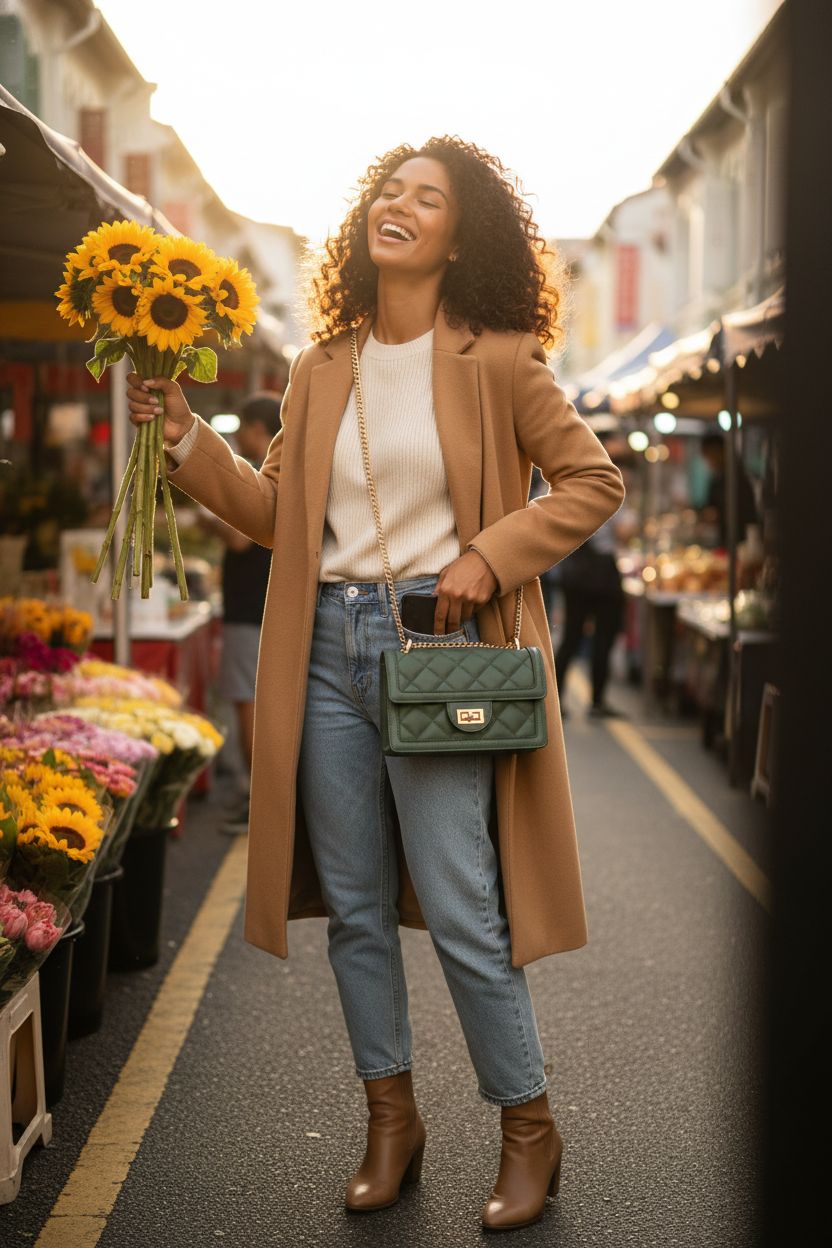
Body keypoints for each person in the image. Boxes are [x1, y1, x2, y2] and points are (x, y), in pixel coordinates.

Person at [126, 136, 625, 1231]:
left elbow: (593, 478)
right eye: (388, 191)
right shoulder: (321, 365)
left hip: (433, 653)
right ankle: (389, 1119)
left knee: (459, 909)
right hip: (323, 654)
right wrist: (188, 440)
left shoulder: (496, 356)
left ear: (462, 233)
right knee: (353, 910)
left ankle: (527, 1126)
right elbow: (274, 516)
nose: (398, 206)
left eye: (427, 198)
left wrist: (489, 553)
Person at [196, 393, 283, 835]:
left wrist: (208, 518)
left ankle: (256, 803)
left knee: (249, 707)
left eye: (245, 427)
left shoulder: (264, 470)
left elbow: (238, 540)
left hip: (250, 610)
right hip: (260, 607)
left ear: (256, 429)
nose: (241, 436)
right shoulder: (277, 467)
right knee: (255, 704)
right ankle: (260, 800)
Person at [553, 508, 629, 719]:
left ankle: (556, 700)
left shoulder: (565, 492)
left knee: (571, 638)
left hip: (575, 574)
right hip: (601, 574)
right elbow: (624, 533)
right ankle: (597, 701)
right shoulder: (609, 491)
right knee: (603, 639)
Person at [699, 431, 759, 548]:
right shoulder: (717, 479)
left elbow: (746, 516)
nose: (708, 461)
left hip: (741, 545)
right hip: (725, 542)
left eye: (708, 455)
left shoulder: (737, 479)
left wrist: (716, 515)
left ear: (719, 451)